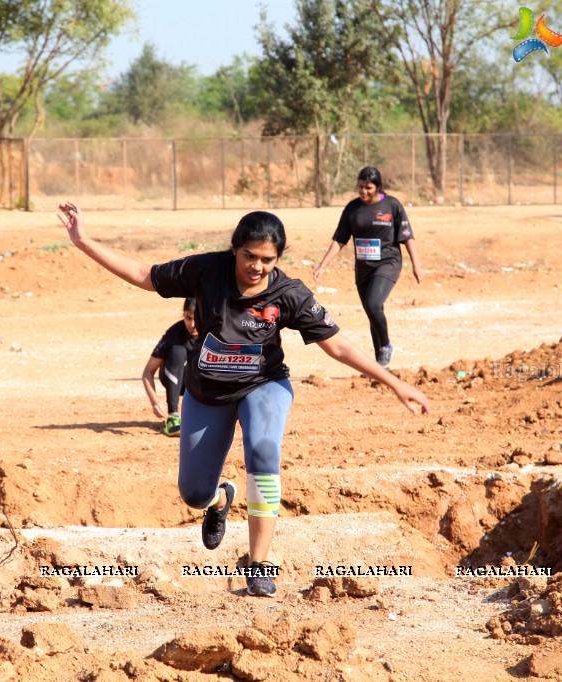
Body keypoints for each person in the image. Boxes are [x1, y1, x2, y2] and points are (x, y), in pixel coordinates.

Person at [58, 201, 429, 597]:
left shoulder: (289, 294)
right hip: (206, 394)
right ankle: (222, 499)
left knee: (264, 449)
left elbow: (337, 346)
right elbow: (143, 275)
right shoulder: (207, 271)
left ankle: (258, 563)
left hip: (263, 386)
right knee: (194, 494)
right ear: (235, 248)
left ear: (278, 259)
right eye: (249, 255)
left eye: (267, 259)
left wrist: (393, 382)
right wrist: (83, 241)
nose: (257, 266)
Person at [312, 166, 422, 368]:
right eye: (361, 186)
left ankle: (386, 347)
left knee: (373, 304)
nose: (363, 191)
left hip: (388, 263)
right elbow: (339, 240)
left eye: (369, 187)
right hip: (363, 268)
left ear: (378, 187)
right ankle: (381, 364)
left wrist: (417, 265)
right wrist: (323, 265)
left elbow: (407, 237)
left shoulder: (392, 205)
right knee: (372, 311)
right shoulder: (352, 209)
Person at [141, 297, 198, 436]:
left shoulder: (214, 331)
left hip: (199, 382)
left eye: (197, 318)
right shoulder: (175, 333)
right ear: (183, 315)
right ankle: (173, 417)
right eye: (188, 318)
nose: (192, 324)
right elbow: (147, 372)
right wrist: (155, 403)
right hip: (177, 379)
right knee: (178, 351)